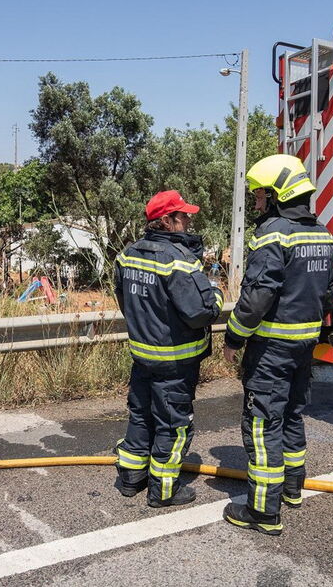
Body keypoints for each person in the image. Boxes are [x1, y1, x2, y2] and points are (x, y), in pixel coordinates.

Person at [221, 154, 333, 536]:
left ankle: (263, 512)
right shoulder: (322, 234)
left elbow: (257, 297)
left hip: (270, 350)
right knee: (291, 415)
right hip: (304, 346)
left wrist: (233, 337)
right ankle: (292, 488)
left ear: (275, 195)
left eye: (258, 196)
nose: (255, 203)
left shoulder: (273, 233)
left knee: (261, 424)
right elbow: (328, 296)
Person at [114, 190, 224, 507]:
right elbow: (199, 312)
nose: (189, 220)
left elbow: (124, 301)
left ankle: (131, 478)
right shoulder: (179, 262)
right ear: (166, 221)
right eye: (183, 215)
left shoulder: (128, 254)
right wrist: (215, 296)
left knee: (140, 417)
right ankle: (164, 491)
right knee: (173, 426)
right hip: (176, 362)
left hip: (143, 355)